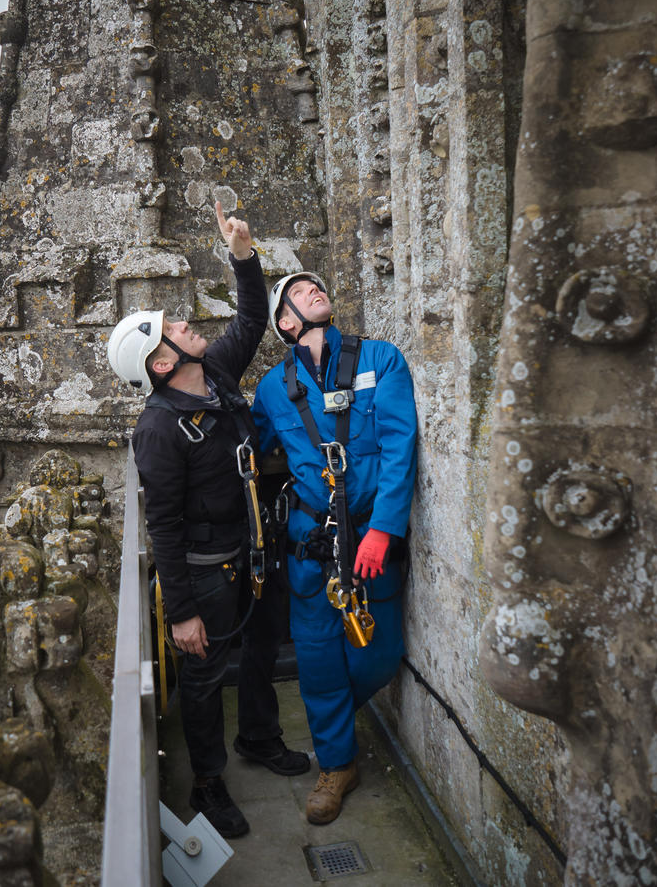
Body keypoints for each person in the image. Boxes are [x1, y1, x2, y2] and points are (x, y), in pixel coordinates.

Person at [106, 203, 309, 839]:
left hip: (255, 546)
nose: (189, 324)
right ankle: (208, 782)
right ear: (161, 363)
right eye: (175, 326)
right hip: (209, 568)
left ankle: (258, 737)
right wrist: (182, 613)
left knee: (261, 648)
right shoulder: (160, 428)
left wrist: (243, 253)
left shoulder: (215, 376)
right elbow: (162, 524)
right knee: (200, 676)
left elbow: (251, 318)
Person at [251, 271, 417, 825]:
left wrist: (384, 529)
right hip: (309, 544)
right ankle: (337, 763)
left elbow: (399, 445)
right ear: (285, 322)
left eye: (316, 285)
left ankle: (335, 728)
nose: (313, 290)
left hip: (370, 536)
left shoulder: (382, 359)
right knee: (319, 660)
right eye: (298, 292)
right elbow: (249, 446)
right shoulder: (274, 388)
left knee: (378, 654)